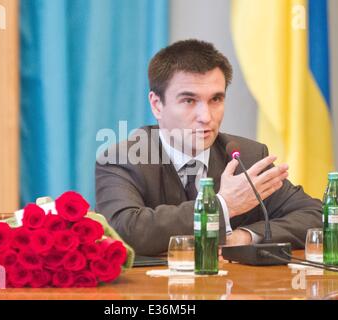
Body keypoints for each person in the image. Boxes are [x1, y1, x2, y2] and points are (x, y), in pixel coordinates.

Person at [95, 39, 322, 256]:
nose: (206, 117)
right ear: (157, 105)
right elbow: (124, 231)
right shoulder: (121, 158)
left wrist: (244, 236)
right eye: (189, 101)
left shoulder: (247, 156)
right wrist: (222, 206)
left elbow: (319, 215)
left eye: (216, 99)